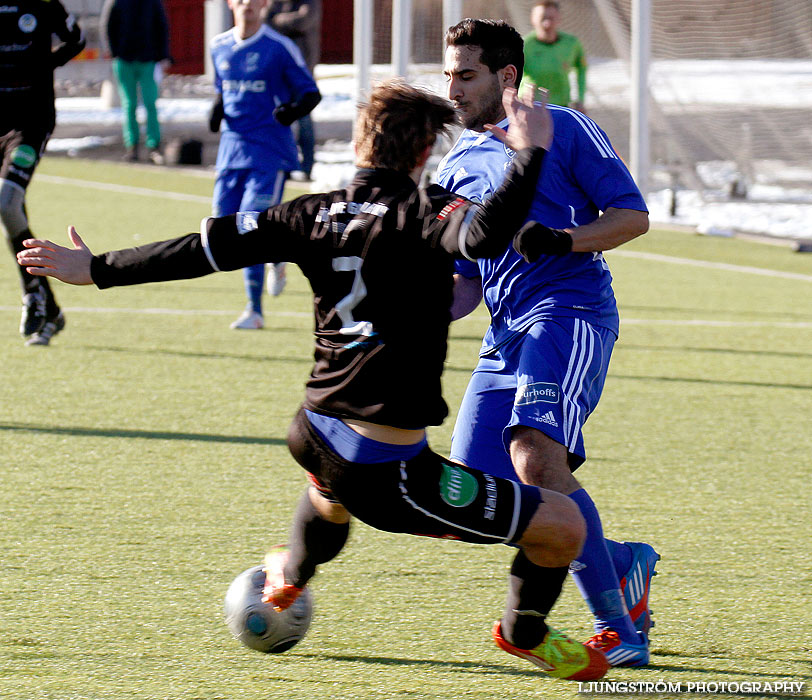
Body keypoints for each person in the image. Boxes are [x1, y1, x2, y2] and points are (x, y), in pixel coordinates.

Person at [18, 80, 609, 682]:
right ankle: (523, 632)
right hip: (389, 472)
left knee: (330, 496)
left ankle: (288, 577)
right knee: (563, 526)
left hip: (314, 429)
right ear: (424, 150)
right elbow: (482, 236)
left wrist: (95, 269)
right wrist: (531, 151)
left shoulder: (308, 213)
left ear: (358, 142)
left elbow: (200, 249)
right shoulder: (430, 211)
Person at [438, 19, 657, 668]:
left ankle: (618, 632)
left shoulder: (564, 126)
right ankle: (621, 563)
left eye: (466, 75)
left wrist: (561, 240)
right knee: (470, 498)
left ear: (507, 78)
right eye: (447, 74)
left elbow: (632, 215)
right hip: (503, 335)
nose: (452, 87)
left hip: (570, 311)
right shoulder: (457, 163)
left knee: (536, 456)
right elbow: (463, 286)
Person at [209, 0, 321, 329]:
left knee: (249, 224)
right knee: (221, 225)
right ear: (231, 4)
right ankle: (279, 252)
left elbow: (310, 93)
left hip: (268, 151)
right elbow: (223, 89)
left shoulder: (279, 47)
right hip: (231, 150)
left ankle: (254, 310)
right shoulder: (219, 46)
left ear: (264, 5)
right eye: (240, 0)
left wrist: (291, 112)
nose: (246, 6)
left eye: (253, 0)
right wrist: (217, 109)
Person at [0, 0, 85, 346]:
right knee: (10, 211)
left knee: (6, 202)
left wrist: (45, 64)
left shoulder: (45, 4)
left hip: (30, 122)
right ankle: (47, 305)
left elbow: (76, 40)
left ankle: (33, 294)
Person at [101, 0, 171, 164]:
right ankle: (132, 145)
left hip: (147, 58)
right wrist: (113, 51)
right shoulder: (117, 1)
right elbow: (108, 25)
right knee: (129, 104)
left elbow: (162, 26)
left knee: (150, 102)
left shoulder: (152, 2)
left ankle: (153, 144)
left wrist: (163, 54)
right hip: (124, 59)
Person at [266, 0, 322, 181]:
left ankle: (307, 166)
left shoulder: (309, 2)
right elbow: (265, 20)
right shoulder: (276, 2)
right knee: (282, 116)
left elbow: (303, 21)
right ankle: (285, 163)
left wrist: (279, 21)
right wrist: (283, 22)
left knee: (304, 118)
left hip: (303, 67)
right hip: (279, 68)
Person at [520, 1, 587, 112]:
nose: (547, 23)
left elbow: (582, 68)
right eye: (542, 18)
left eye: (551, 18)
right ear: (533, 19)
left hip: (562, 107)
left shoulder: (571, 44)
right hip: (531, 107)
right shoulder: (523, 45)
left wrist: (579, 99)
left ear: (559, 19)